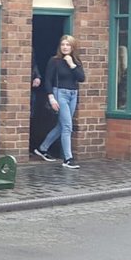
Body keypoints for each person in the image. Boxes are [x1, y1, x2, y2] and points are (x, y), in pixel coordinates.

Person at [32, 35, 85, 169]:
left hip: (73, 94)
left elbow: (81, 78)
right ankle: (68, 159)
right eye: (63, 45)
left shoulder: (76, 61)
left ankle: (42, 148)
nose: (65, 47)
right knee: (67, 126)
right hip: (59, 93)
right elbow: (48, 80)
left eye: (68, 45)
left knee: (62, 126)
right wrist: (51, 97)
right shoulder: (54, 61)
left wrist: (71, 64)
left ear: (72, 47)